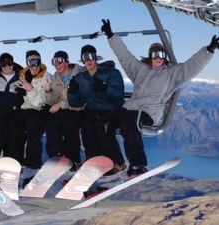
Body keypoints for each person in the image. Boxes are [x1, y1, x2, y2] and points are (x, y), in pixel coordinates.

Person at [101, 19, 219, 178]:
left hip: (150, 112)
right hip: (130, 108)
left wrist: (208, 50)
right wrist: (111, 36)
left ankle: (138, 164)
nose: (158, 58)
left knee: (129, 122)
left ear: (165, 57)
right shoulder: (139, 70)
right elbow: (125, 56)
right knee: (103, 123)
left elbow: (192, 66)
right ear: (150, 57)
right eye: (155, 54)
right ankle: (116, 162)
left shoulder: (172, 74)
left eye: (161, 54)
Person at [67, 44, 126, 175]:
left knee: (102, 125)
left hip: (111, 110)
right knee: (86, 125)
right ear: (82, 60)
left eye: (90, 56)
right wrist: (72, 92)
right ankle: (94, 161)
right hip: (92, 111)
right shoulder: (81, 78)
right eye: (85, 57)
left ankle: (116, 162)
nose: (88, 60)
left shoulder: (111, 73)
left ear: (95, 57)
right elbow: (75, 103)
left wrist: (105, 89)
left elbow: (118, 96)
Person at [7, 50, 52, 170]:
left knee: (32, 124)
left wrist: (30, 89)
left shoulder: (46, 77)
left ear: (40, 62)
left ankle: (33, 161)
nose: (33, 66)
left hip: (41, 109)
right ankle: (15, 158)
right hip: (27, 108)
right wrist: (16, 91)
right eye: (30, 62)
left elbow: (41, 101)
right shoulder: (23, 75)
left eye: (36, 62)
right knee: (15, 121)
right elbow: (15, 88)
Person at [45, 51, 83, 169]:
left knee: (69, 125)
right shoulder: (56, 77)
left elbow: (79, 96)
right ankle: (55, 157)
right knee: (51, 125)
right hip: (62, 109)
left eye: (60, 61)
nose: (57, 65)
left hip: (77, 108)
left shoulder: (79, 73)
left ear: (67, 61)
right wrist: (48, 91)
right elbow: (52, 101)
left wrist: (60, 104)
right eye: (54, 62)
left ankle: (73, 159)